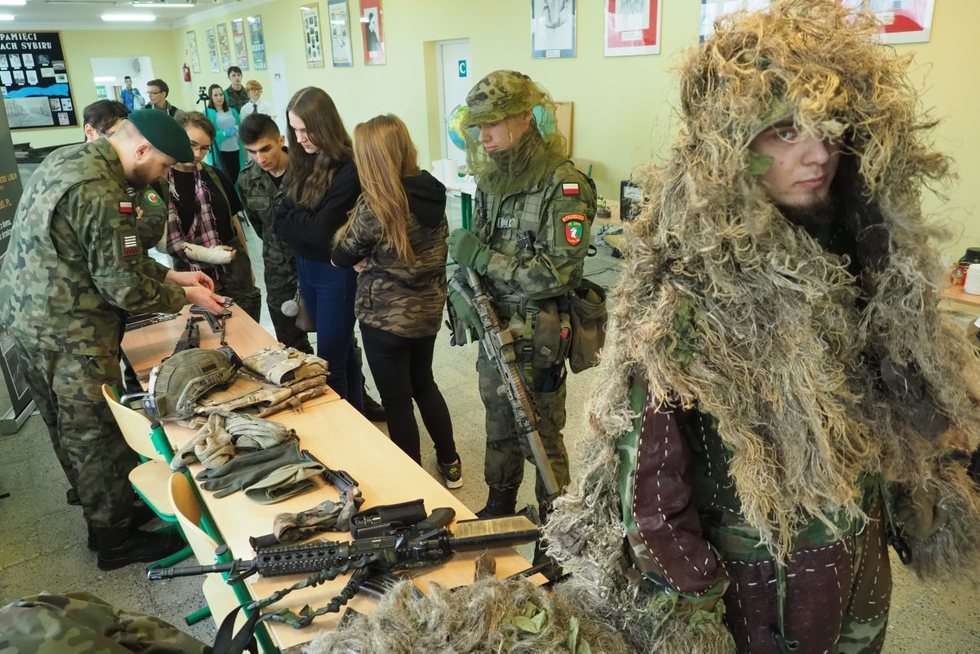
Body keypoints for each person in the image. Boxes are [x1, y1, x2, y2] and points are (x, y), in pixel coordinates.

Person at [545, 2, 980, 653]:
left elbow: (904, 410)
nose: (817, 154)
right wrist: (695, 599)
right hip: (763, 585)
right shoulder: (685, 286)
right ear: (731, 148)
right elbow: (647, 491)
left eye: (827, 128)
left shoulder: (863, 259)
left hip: (857, 557)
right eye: (782, 132)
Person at [0, 109, 227, 571]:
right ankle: (113, 539)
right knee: (94, 434)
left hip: (29, 322)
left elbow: (107, 256)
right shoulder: (102, 192)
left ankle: (106, 507)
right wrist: (184, 296)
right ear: (141, 149)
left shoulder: (68, 159)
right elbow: (122, 286)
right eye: (164, 166)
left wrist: (173, 274)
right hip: (71, 332)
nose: (162, 177)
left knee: (66, 427)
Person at [447, 70, 596, 519]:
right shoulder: (493, 180)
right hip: (496, 329)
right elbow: (476, 252)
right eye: (478, 126)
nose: (483, 135)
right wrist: (460, 289)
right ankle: (500, 503)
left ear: (525, 119)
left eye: (493, 123)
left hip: (538, 337)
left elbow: (558, 274)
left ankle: (558, 528)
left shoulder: (562, 185)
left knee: (542, 433)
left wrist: (486, 260)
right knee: (498, 423)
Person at [332, 114, 461, 486]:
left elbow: (342, 254)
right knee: (425, 384)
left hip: (384, 319)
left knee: (397, 401)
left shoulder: (376, 205)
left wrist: (363, 258)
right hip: (426, 314)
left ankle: (413, 480)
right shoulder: (433, 190)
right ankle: (450, 463)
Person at [274, 87, 364, 411]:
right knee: (339, 352)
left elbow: (319, 232)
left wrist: (300, 221)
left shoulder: (349, 167)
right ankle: (360, 416)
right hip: (309, 269)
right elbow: (278, 222)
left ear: (324, 125)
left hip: (335, 274)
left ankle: (345, 431)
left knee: (329, 361)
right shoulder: (304, 162)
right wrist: (305, 223)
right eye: (294, 130)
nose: (299, 139)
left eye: (304, 129)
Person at [164, 111, 261, 322]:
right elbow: (168, 242)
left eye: (205, 148)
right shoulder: (160, 180)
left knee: (248, 333)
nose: (197, 153)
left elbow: (234, 222)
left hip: (234, 269)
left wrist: (248, 267)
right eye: (192, 145)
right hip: (193, 276)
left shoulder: (215, 175)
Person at [237, 112, 311, 352]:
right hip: (278, 270)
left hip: (315, 263)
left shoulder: (309, 170)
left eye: (265, 149)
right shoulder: (247, 179)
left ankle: (353, 388)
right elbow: (259, 225)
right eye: (252, 152)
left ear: (280, 140)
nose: (260, 158)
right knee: (289, 342)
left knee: (337, 340)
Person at [205, 83, 245, 185]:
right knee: (226, 179)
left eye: (221, 94)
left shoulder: (233, 111)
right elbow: (209, 134)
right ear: (210, 97)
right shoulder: (208, 113)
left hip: (235, 149)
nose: (219, 97)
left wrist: (237, 130)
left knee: (237, 177)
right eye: (215, 95)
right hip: (221, 152)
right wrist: (224, 133)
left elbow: (240, 127)